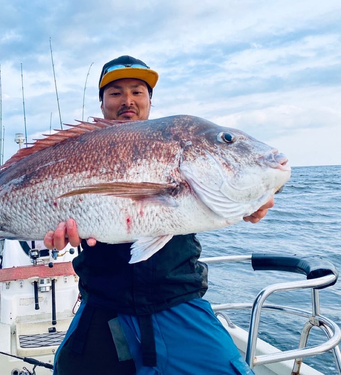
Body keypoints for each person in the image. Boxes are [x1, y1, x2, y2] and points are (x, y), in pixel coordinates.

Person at [45, 55, 273, 375]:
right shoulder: (80, 148)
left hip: (177, 299)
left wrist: (258, 197)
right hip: (103, 302)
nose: (128, 101)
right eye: (115, 93)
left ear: (150, 100)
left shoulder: (172, 139)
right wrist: (55, 234)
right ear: (102, 104)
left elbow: (236, 176)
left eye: (138, 91)